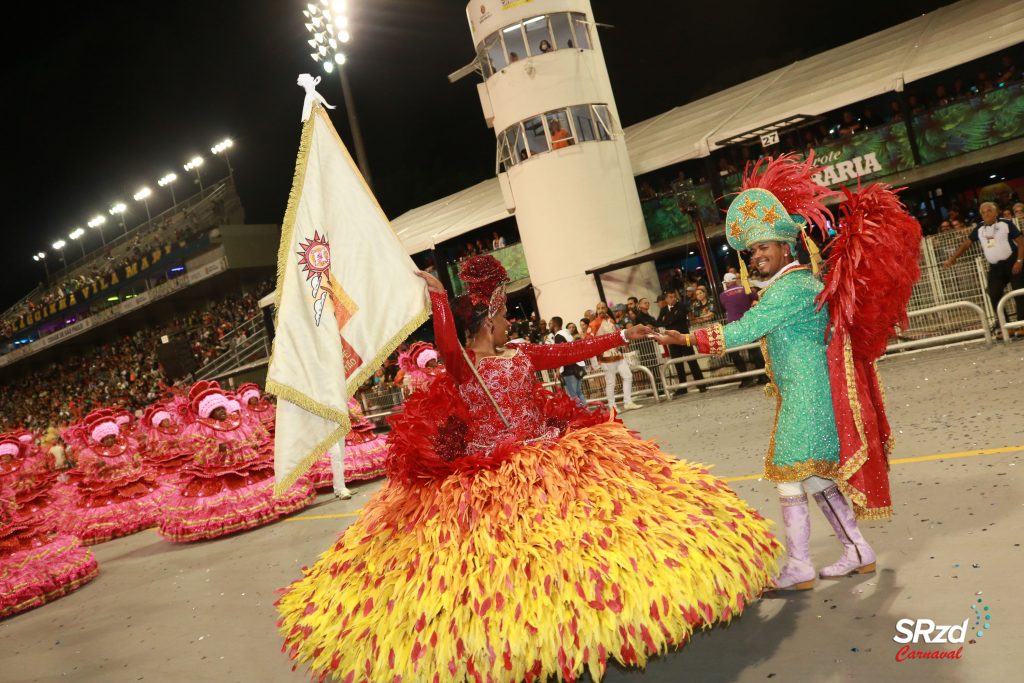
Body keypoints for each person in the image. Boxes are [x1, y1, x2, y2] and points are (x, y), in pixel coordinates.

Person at [276, 255, 781, 682]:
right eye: (500, 318)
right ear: (485, 325)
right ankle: (537, 642)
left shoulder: (520, 354)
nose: (508, 324)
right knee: (511, 566)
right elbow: (449, 342)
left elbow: (571, 349)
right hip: (491, 478)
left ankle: (591, 627)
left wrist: (623, 334)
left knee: (581, 548)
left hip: (550, 460)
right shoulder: (462, 363)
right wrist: (436, 298)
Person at [655, 154, 919, 591]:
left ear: (785, 247)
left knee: (789, 477)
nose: (756, 256)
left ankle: (799, 565)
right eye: (752, 250)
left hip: (809, 401)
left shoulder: (793, 288)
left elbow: (745, 330)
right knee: (812, 478)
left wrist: (683, 340)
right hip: (805, 397)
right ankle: (857, 551)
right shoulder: (790, 286)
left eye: (764, 248)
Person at [944, 201, 1024, 326]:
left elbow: (1021, 242)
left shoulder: (1006, 224)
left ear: (996, 212)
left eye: (989, 211)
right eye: (983, 212)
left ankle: (1021, 323)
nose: (986, 214)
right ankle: (1004, 325)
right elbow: (967, 244)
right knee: (993, 293)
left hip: (1012, 263)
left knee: (1019, 292)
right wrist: (953, 258)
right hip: (995, 267)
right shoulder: (980, 228)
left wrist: (1019, 261)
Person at [718, 272, 766, 388]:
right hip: (747, 323)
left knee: (734, 352)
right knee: (754, 350)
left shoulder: (723, 295)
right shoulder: (746, 288)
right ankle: (763, 376)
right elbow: (756, 297)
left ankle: (746, 378)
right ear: (735, 280)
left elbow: (726, 306)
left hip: (733, 325)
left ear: (727, 282)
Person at [656, 290, 705, 395]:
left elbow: (676, 318)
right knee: (678, 363)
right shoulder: (664, 310)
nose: (673, 298)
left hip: (684, 337)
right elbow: (659, 322)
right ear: (666, 299)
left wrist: (667, 321)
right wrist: (667, 320)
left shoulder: (681, 306)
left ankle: (701, 384)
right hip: (672, 340)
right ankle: (682, 387)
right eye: (670, 297)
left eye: (674, 296)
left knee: (692, 361)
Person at [593, 303, 640, 411]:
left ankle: (628, 402)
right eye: (599, 308)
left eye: (603, 308)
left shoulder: (611, 320)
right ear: (596, 310)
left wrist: (622, 344)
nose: (601, 310)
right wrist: (596, 360)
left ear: (606, 309)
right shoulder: (594, 324)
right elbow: (590, 342)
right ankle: (612, 406)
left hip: (617, 354)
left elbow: (616, 335)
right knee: (611, 383)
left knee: (628, 376)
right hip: (605, 357)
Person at [550, 316, 587, 406]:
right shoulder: (567, 334)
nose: (549, 326)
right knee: (579, 393)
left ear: (555, 324)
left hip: (570, 369)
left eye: (550, 324)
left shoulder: (558, 336)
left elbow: (561, 354)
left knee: (573, 395)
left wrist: (558, 369)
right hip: (579, 366)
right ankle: (587, 413)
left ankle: (581, 416)